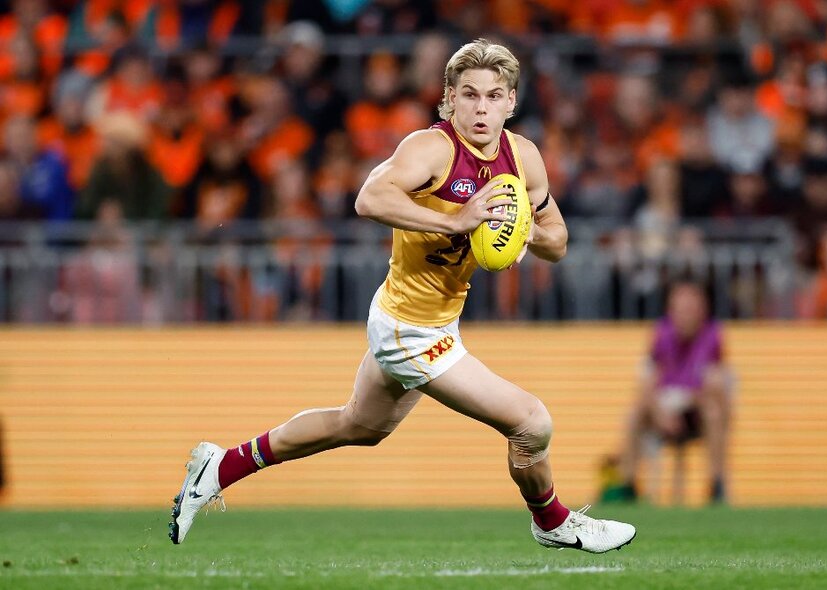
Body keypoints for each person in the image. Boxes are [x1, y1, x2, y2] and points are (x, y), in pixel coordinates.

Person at [169, 38, 636, 553]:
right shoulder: (431, 148)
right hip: (409, 329)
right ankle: (552, 521)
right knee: (531, 422)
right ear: (449, 99)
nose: (481, 108)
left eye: (494, 96)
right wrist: (454, 220)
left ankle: (220, 465)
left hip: (429, 317)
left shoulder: (523, 157)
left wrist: (523, 230)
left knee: (360, 425)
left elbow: (558, 242)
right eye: (469, 95)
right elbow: (369, 198)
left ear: (511, 102)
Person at [618, 278, 734, 503]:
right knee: (635, 413)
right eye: (680, 309)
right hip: (664, 406)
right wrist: (661, 413)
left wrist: (691, 402)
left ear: (703, 311)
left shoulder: (713, 335)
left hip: (695, 410)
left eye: (691, 309)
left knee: (714, 411)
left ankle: (716, 483)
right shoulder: (661, 333)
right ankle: (628, 484)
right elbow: (649, 380)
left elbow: (715, 384)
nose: (685, 315)